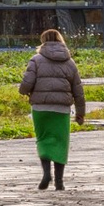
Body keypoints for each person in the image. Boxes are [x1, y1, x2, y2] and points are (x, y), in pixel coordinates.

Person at [18, 26, 86, 189]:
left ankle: (47, 173)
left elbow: (26, 85)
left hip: (41, 108)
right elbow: (78, 90)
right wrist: (80, 113)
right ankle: (59, 182)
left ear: (43, 42)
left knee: (43, 140)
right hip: (61, 110)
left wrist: (24, 91)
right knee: (60, 142)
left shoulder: (36, 60)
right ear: (61, 41)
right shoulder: (70, 62)